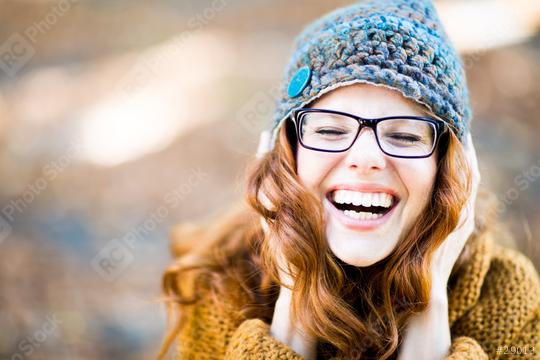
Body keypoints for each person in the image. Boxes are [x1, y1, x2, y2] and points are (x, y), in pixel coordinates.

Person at [158, 0, 540, 359]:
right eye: (329, 131)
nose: (366, 158)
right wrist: (293, 309)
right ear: (286, 150)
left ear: (450, 166)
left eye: (405, 135)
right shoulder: (224, 282)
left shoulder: (506, 297)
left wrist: (430, 313)